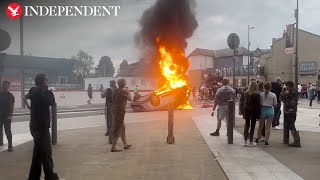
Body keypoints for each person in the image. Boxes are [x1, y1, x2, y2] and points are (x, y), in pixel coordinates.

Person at [24, 74, 63, 180]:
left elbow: (24, 97)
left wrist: (29, 107)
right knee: (46, 153)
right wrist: (47, 91)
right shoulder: (42, 93)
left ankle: (34, 177)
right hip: (41, 128)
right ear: (42, 82)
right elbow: (52, 102)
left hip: (35, 127)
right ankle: (49, 176)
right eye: (46, 81)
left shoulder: (33, 90)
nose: (48, 82)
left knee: (38, 154)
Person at [111, 78, 132, 152]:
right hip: (119, 111)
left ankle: (125, 144)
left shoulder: (115, 90)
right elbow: (130, 99)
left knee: (122, 127)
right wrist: (128, 91)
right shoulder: (123, 92)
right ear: (124, 84)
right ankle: (113, 147)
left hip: (114, 110)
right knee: (118, 128)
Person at [256, 82, 278, 146]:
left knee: (260, 126)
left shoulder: (260, 94)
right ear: (270, 87)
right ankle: (266, 141)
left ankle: (257, 138)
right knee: (268, 127)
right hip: (270, 110)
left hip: (263, 110)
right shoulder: (273, 95)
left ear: (263, 87)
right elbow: (275, 104)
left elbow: (259, 103)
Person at [280, 81, 301, 147]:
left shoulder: (288, 93)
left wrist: (283, 90)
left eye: (286, 85)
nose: (286, 87)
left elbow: (280, 98)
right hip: (293, 111)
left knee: (290, 125)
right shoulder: (295, 91)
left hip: (288, 111)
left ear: (288, 85)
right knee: (291, 124)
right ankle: (296, 139)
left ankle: (297, 140)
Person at [242, 82, 260, 147]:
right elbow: (258, 106)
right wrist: (258, 115)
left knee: (247, 125)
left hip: (247, 111)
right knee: (252, 127)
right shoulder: (257, 95)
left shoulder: (245, 93)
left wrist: (242, 112)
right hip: (254, 112)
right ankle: (251, 142)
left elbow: (243, 103)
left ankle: (245, 141)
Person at [0, 81, 15, 152]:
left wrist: (10, 116)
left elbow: (11, 107)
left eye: (6, 85)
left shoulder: (10, 96)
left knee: (7, 131)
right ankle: (0, 143)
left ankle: (10, 145)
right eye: (3, 85)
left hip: (7, 116)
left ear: (8, 87)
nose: (4, 86)